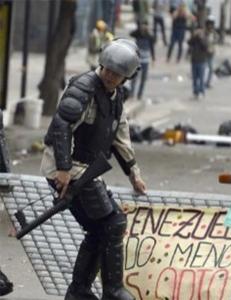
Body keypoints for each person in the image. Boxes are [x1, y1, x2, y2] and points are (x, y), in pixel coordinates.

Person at [41, 39, 147, 300]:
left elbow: (119, 135)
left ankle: (79, 291)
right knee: (113, 222)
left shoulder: (116, 96)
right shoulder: (84, 87)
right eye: (108, 70)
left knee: (102, 228)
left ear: (127, 76)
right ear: (102, 64)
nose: (111, 77)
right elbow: (61, 126)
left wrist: (134, 172)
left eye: (118, 74)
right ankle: (111, 290)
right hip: (66, 167)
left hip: (84, 168)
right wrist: (63, 169)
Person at [130, 21, 155, 100]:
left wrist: (154, 59)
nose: (144, 27)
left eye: (145, 26)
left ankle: (139, 95)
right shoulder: (138, 34)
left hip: (146, 61)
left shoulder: (149, 36)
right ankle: (132, 94)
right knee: (134, 78)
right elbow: (131, 34)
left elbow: (152, 47)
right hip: (137, 60)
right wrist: (139, 29)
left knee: (143, 79)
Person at [188, 26, 209, 99]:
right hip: (194, 61)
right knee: (194, 78)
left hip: (201, 61)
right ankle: (195, 91)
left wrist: (200, 38)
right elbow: (189, 42)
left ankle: (202, 91)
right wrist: (194, 36)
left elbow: (205, 47)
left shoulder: (204, 38)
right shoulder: (194, 39)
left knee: (201, 78)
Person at [205, 16, 218, 89]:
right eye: (209, 24)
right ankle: (203, 82)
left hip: (211, 53)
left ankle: (208, 82)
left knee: (210, 69)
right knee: (204, 68)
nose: (210, 26)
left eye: (212, 24)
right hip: (204, 53)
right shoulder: (204, 32)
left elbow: (216, 40)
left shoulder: (213, 33)